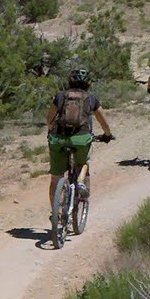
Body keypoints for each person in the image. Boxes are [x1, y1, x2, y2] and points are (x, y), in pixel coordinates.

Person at [45, 66, 114, 222]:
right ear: (88, 83)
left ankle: (56, 214)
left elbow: (49, 119)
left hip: (58, 139)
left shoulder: (60, 96)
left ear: (69, 81)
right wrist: (107, 135)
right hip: (81, 139)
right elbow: (103, 121)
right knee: (83, 163)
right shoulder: (91, 99)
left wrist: (52, 131)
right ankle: (81, 183)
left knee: (55, 179)